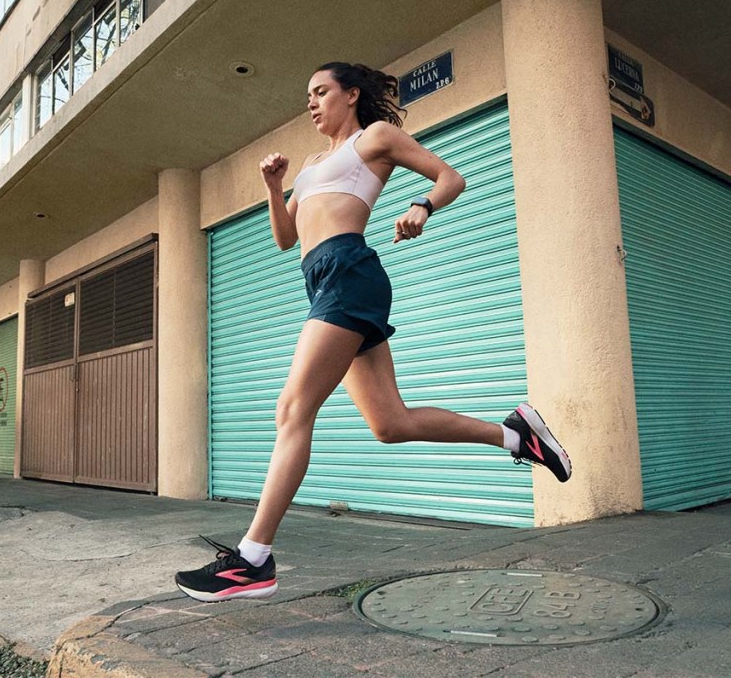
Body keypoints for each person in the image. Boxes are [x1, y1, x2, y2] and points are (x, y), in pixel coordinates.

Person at [174, 62, 572, 603]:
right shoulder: (313, 163)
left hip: (349, 272)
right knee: (390, 423)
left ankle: (253, 559)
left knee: (293, 409)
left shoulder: (373, 139)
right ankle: (516, 435)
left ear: (351, 94)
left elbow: (450, 176)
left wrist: (421, 207)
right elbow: (286, 238)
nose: (312, 103)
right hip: (321, 280)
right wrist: (273, 187)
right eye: (307, 96)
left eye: (321, 92)